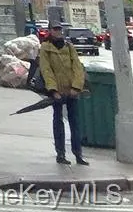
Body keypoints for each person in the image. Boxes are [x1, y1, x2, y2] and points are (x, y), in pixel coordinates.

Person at [39, 21, 90, 166]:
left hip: (71, 91)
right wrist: (53, 90)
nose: (58, 31)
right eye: (55, 29)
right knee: (58, 121)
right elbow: (46, 70)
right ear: (50, 31)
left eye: (59, 29)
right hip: (57, 92)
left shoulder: (69, 46)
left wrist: (76, 87)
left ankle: (78, 154)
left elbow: (77, 68)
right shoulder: (46, 48)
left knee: (75, 123)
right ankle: (60, 153)